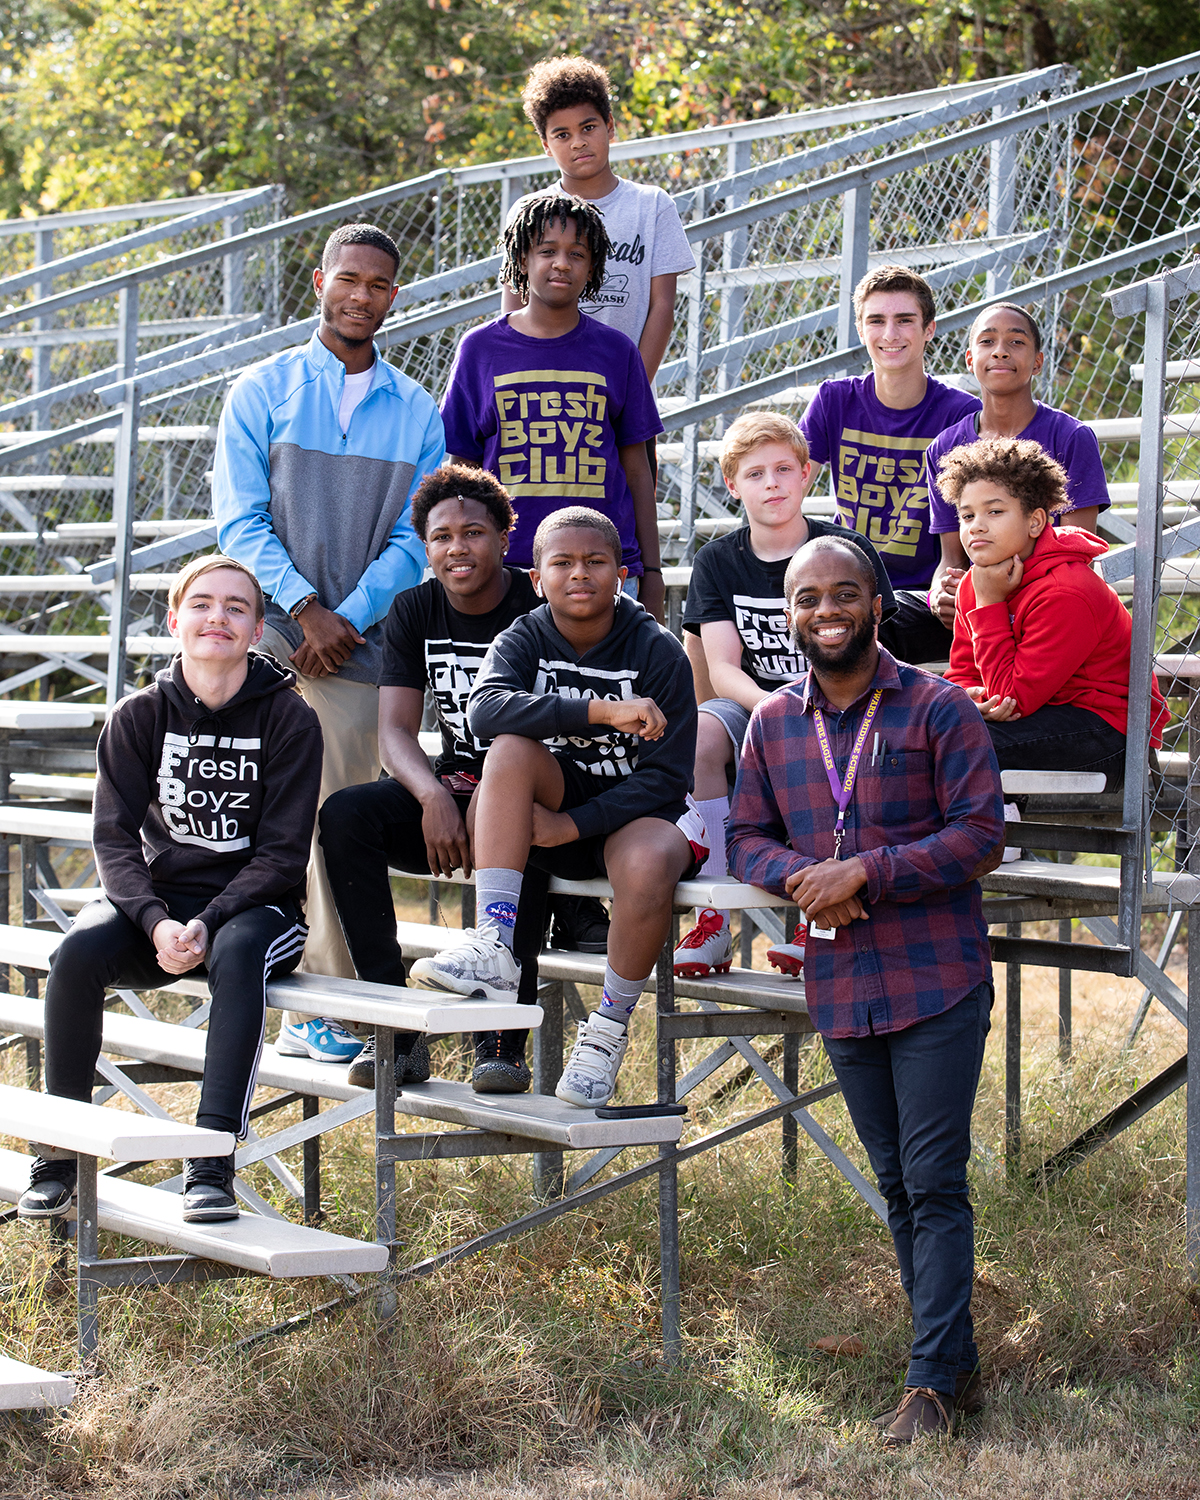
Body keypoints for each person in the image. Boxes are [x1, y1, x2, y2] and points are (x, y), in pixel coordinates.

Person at [726, 534, 1005, 1443]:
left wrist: (866, 873)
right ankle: (952, 1369)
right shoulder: (772, 722)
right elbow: (745, 840)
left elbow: (978, 838)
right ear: (790, 615)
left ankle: (926, 1386)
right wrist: (808, 878)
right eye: (807, 599)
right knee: (895, 1183)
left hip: (936, 978)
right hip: (841, 982)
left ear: (877, 605)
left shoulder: (938, 708)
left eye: (843, 594)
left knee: (933, 1180)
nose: (825, 611)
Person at [18, 556, 322, 1225]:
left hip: (256, 908)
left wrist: (210, 920)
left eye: (237, 607)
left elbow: (281, 854)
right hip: (158, 903)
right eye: (204, 604)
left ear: (257, 627)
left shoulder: (290, 721)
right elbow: (113, 840)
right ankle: (57, 1159)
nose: (219, 617)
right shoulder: (138, 715)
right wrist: (155, 922)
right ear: (175, 619)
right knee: (73, 956)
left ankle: (210, 1162)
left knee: (240, 954)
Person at [212, 221, 445, 1063]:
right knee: (259, 818)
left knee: (337, 820)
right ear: (320, 283)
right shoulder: (262, 390)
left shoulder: (417, 411)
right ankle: (252, 979)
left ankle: (333, 1001)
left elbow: (418, 541)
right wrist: (304, 606)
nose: (361, 295)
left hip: (360, 651)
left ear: (394, 297)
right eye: (348, 279)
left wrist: (344, 615)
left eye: (379, 285)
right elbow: (238, 519)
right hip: (264, 641)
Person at [407, 507, 706, 1109]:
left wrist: (570, 824)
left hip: (636, 816)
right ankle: (494, 941)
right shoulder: (524, 634)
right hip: (562, 797)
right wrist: (602, 712)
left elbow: (666, 780)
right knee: (511, 751)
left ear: (621, 574)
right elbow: (485, 712)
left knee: (648, 861)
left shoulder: (658, 650)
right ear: (537, 577)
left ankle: (608, 1030)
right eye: (561, 563)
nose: (579, 574)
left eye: (595, 562)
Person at [319, 464, 540, 1094]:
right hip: (454, 788)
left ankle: (500, 1043)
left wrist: (489, 801)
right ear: (426, 547)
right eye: (441, 537)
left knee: (522, 833)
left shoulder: (537, 603)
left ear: (504, 537)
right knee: (345, 815)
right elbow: (394, 730)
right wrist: (433, 794)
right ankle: (394, 1033)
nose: (456, 547)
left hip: (531, 792)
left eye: (473, 532)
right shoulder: (416, 607)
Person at [675, 412, 897, 979]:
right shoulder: (719, 560)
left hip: (843, 700)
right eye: (754, 474)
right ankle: (712, 915)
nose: (770, 483)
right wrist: (774, 711)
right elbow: (722, 668)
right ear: (733, 485)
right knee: (700, 733)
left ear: (806, 476)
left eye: (782, 470)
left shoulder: (845, 548)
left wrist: (810, 711)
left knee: (830, 737)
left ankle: (815, 917)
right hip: (753, 703)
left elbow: (873, 647)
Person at [503, 52, 697, 591]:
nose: (578, 142)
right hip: (544, 397)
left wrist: (633, 384)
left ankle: (636, 585)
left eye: (589, 127)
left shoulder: (650, 204)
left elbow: (662, 305)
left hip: (617, 386)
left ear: (611, 127)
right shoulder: (532, 211)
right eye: (561, 134)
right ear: (546, 145)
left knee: (625, 501)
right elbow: (512, 310)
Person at [441, 193, 663, 617]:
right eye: (547, 251)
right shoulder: (481, 349)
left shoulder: (617, 351)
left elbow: (638, 467)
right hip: (506, 570)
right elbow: (462, 472)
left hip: (602, 571)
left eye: (576, 254)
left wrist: (650, 572)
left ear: (593, 267)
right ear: (522, 259)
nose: (562, 263)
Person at [938, 437, 1167, 782]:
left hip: (1109, 732)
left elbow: (1012, 698)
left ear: (1035, 522)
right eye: (967, 515)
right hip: (1039, 713)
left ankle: (986, 827)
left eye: (994, 511)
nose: (977, 526)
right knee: (924, 739)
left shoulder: (1066, 590)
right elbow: (962, 673)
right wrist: (970, 698)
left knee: (961, 748)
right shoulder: (977, 581)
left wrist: (989, 604)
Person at [799, 265, 980, 665]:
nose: (890, 334)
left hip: (924, 593)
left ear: (929, 329)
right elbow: (790, 484)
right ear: (861, 330)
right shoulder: (834, 401)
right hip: (846, 584)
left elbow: (979, 513)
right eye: (876, 321)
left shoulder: (962, 414)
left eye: (905, 320)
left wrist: (954, 582)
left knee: (867, 626)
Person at [925, 303, 1110, 627]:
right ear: (970, 359)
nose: (1000, 352)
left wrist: (1002, 597)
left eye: (1016, 342)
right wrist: (939, 593)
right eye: (987, 341)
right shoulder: (944, 448)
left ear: (1037, 361)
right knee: (887, 619)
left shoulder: (1071, 437)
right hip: (977, 603)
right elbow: (951, 560)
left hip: (1047, 604)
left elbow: (1078, 558)